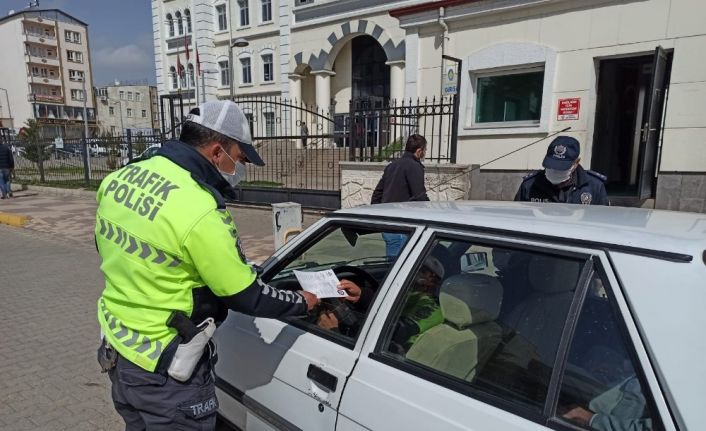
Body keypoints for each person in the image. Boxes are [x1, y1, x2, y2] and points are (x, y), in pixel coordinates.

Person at [94, 100, 319, 431]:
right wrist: (304, 301)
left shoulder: (121, 178)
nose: (239, 168)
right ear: (217, 152)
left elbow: (110, 247)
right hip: (166, 373)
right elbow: (244, 296)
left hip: (119, 352)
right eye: (240, 158)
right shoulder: (200, 206)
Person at [371, 134, 430, 256]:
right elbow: (420, 197)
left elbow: (377, 194)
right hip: (401, 225)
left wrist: (377, 215)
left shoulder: (392, 165)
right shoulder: (414, 167)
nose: (425, 153)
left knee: (392, 263)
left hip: (386, 222)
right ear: (419, 151)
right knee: (396, 265)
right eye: (425, 150)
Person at [515, 136, 609, 205]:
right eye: (551, 166)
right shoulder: (529, 185)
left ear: (576, 163)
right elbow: (517, 218)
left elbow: (602, 220)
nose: (555, 171)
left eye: (562, 167)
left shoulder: (594, 187)